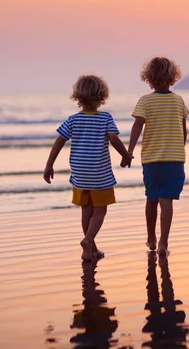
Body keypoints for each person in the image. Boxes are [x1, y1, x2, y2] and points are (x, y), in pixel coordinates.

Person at [43, 75, 132, 261]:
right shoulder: (105, 117)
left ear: (78, 97)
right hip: (99, 172)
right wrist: (125, 155)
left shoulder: (73, 120)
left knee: (86, 210)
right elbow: (114, 139)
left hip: (79, 172)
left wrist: (49, 164)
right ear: (102, 97)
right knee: (100, 211)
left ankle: (90, 250)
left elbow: (59, 141)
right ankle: (88, 240)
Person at [123, 57, 189, 257]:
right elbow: (184, 130)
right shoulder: (178, 100)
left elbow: (137, 126)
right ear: (173, 77)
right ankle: (163, 242)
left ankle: (151, 238)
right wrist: (179, 148)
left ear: (148, 78)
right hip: (174, 160)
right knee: (166, 200)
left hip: (151, 160)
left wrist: (129, 151)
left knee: (151, 198)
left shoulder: (145, 100)